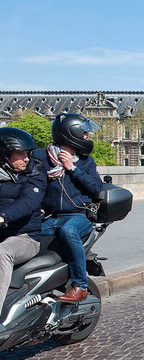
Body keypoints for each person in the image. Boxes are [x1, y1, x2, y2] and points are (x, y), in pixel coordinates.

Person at [32, 114, 104, 303]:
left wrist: (73, 169)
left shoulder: (85, 161)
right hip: (50, 216)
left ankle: (80, 285)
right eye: (85, 133)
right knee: (25, 232)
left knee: (69, 230)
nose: (87, 137)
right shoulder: (40, 158)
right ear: (71, 134)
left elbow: (97, 188)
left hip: (77, 215)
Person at [0, 128, 46, 307]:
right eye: (20, 154)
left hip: (24, 237)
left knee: (2, 253)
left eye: (27, 154)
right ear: (4, 155)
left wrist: (3, 216)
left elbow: (29, 202)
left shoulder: (34, 173)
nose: (26, 159)